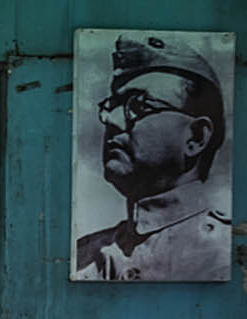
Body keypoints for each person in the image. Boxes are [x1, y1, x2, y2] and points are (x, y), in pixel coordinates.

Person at [74, 33, 230, 281]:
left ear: (196, 138)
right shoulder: (81, 256)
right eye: (110, 106)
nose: (113, 121)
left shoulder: (228, 254)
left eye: (138, 105)